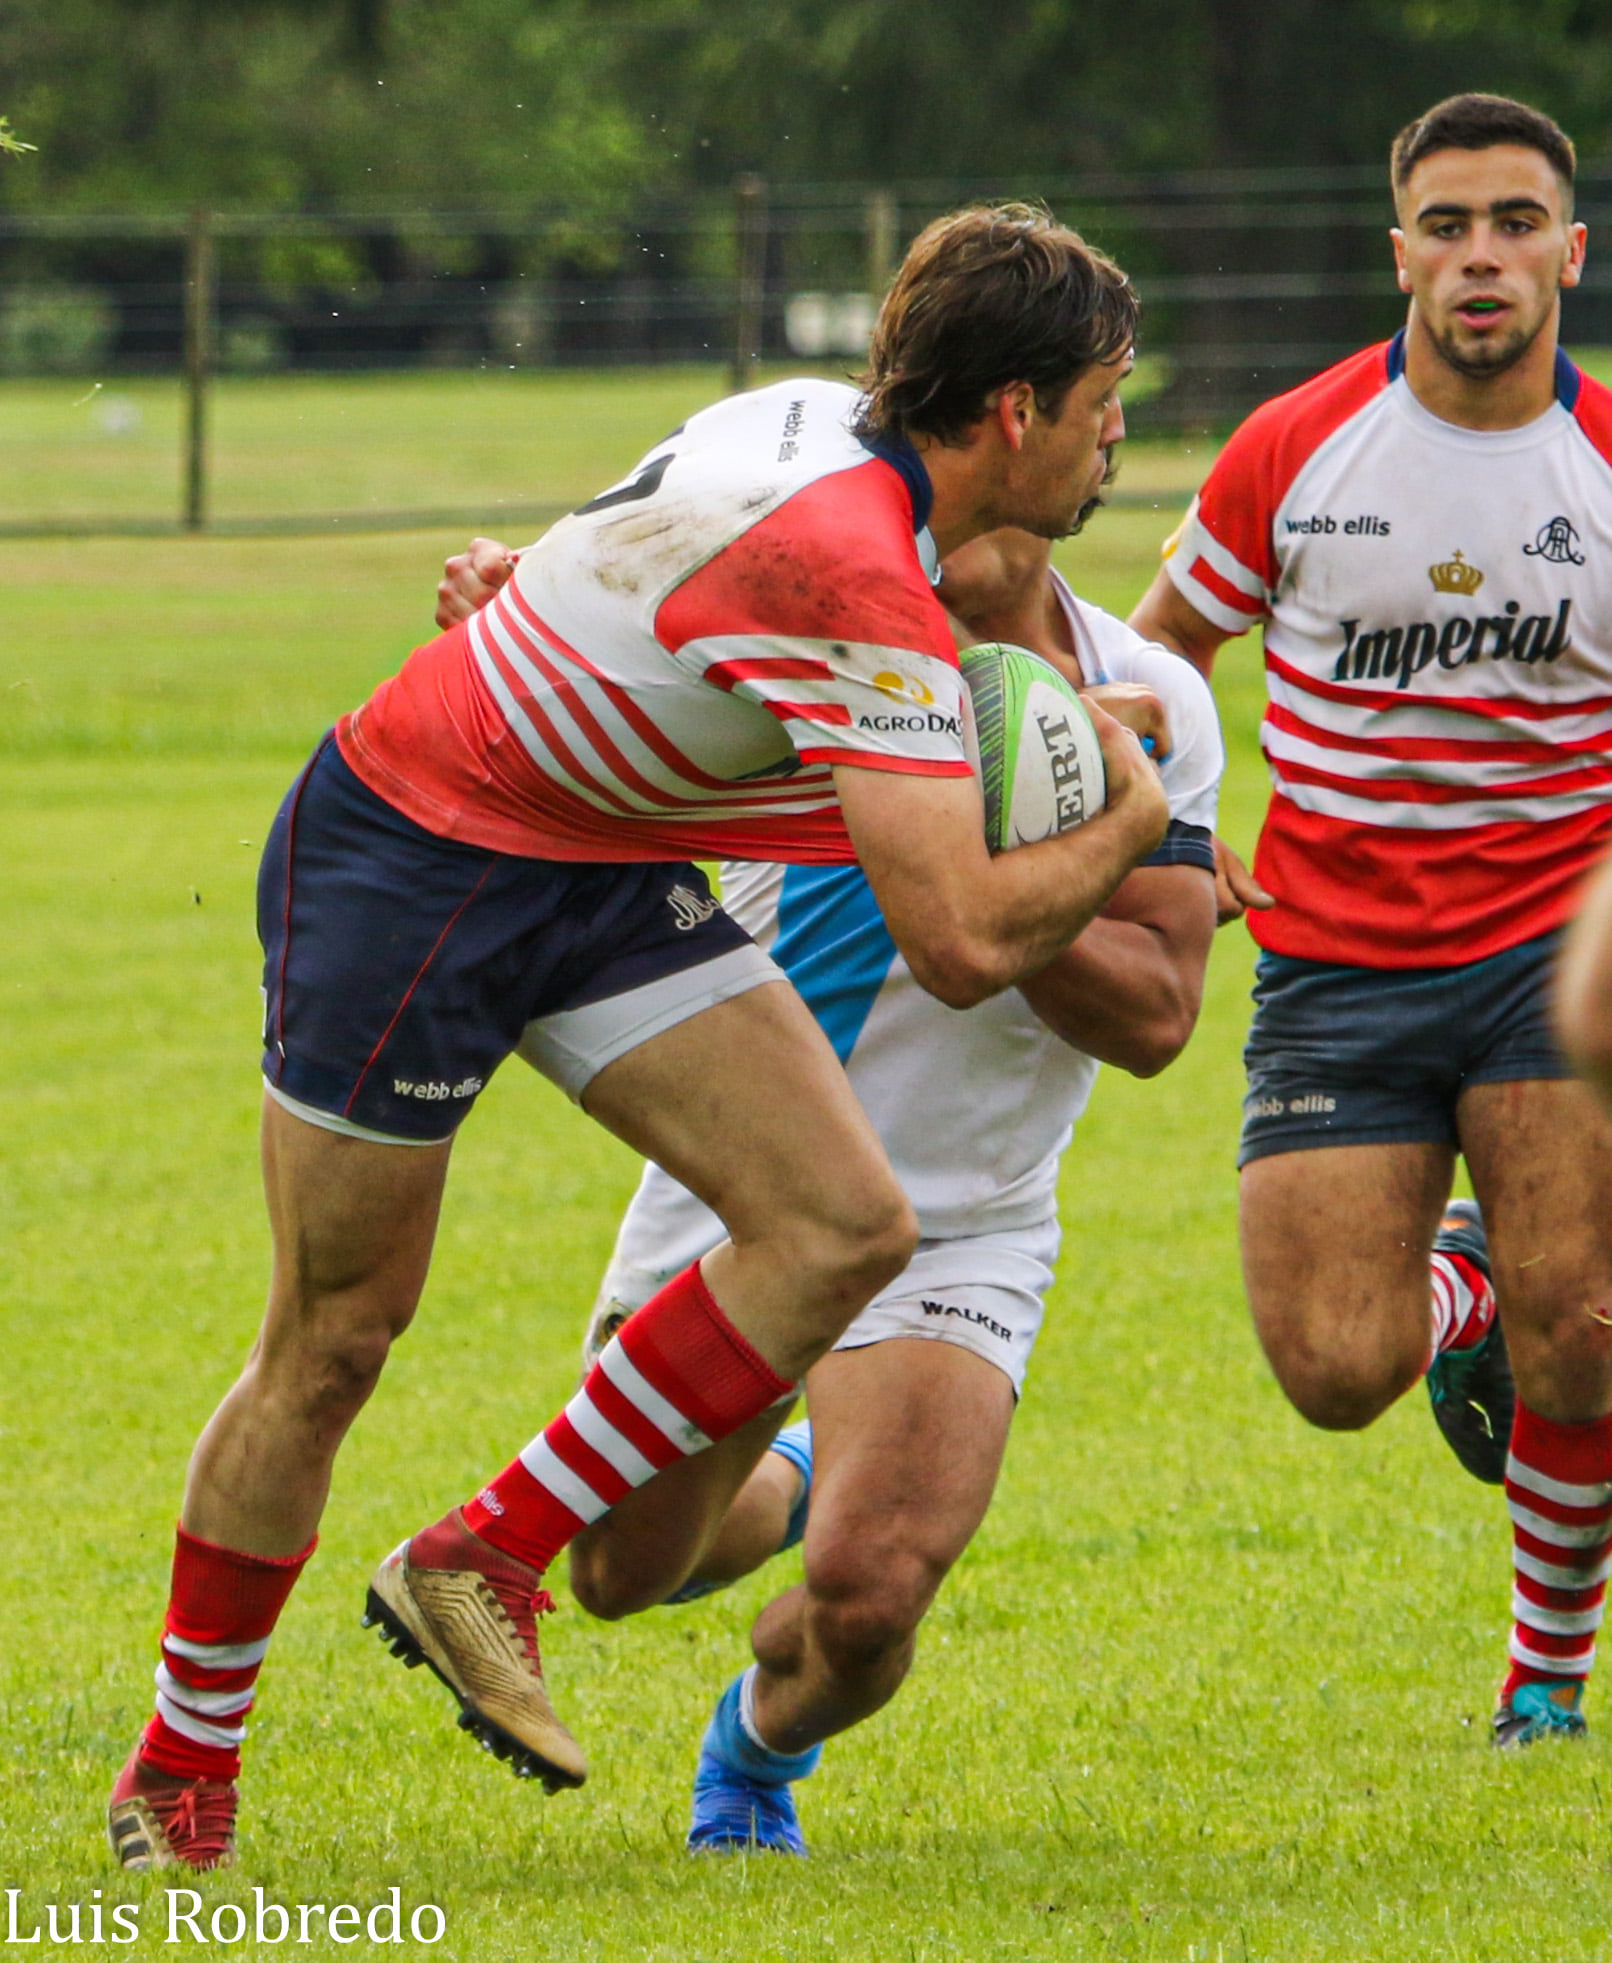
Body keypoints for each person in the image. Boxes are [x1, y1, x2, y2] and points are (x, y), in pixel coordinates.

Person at [108, 205, 1174, 1872]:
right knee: (334, 1340)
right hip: (411, 860)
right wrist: (1131, 816)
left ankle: (485, 1554)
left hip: (595, 860)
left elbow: (632, 571)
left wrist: (511, 588)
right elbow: (963, 942)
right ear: (1016, 409)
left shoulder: (807, 415)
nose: (1118, 435)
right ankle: (179, 1776)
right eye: (1105, 401)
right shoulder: (860, 584)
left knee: (844, 1223)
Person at [433, 520, 1222, 1852]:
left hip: (965, 1216)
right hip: (746, 1187)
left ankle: (752, 1752)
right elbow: (588, 697)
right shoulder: (788, 650)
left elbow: (1156, 1016)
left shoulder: (1148, 699)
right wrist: (515, 624)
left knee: (867, 1602)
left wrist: (1005, 878)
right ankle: (805, 1466)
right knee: (625, 1572)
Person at [1128, 93, 1612, 1749]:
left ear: (1569, 250)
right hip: (1336, 964)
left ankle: (1542, 1681)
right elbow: (1157, 653)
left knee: (1585, 1336)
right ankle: (1466, 1282)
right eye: (1451, 226)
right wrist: (1178, 825)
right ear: (1400, 252)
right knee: (1338, 1372)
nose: (1485, 257)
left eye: (1516, 223)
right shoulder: (1297, 447)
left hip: (1556, 960)